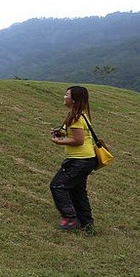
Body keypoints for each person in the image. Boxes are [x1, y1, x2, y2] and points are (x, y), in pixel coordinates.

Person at [48, 85, 98, 232]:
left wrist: (59, 142)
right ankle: (87, 223)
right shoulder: (79, 114)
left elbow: (78, 140)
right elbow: (73, 134)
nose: (64, 97)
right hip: (86, 159)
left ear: (74, 100)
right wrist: (60, 133)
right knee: (78, 191)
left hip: (80, 160)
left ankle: (70, 219)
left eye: (67, 95)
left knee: (58, 185)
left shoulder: (76, 118)